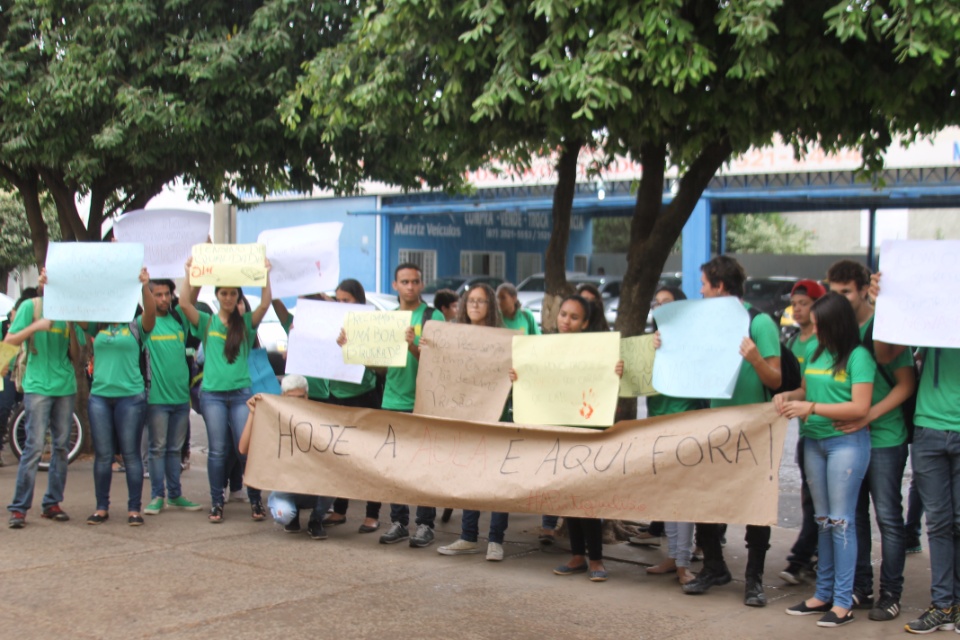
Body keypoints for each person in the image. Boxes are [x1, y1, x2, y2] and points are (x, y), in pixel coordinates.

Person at [682, 256, 782, 607]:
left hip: (753, 429)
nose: (701, 291)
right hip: (713, 426)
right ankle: (714, 567)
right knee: (704, 499)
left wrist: (755, 358)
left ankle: (753, 580)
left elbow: (775, 378)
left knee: (755, 504)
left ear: (721, 287)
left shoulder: (760, 322)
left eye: (705, 285)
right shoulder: (707, 324)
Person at [869, 272, 960, 635]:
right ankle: (943, 605)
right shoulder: (934, 312)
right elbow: (884, 353)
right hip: (928, 428)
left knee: (956, 521)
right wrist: (885, 308)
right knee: (937, 523)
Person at [509, 294, 623, 582]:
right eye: (563, 315)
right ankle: (576, 556)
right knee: (568, 496)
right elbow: (532, 382)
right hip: (557, 428)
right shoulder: (540, 348)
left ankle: (596, 559)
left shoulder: (597, 349)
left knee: (587, 497)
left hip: (587, 428)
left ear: (585, 323)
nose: (566, 321)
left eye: (574, 317)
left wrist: (616, 372)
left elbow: (608, 384)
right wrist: (518, 376)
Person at [777, 292, 875, 628]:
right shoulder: (816, 351)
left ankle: (843, 603)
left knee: (841, 520)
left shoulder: (859, 357)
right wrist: (790, 397)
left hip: (846, 445)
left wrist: (812, 409)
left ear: (836, 324)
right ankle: (823, 594)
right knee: (822, 520)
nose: (813, 330)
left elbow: (860, 408)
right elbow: (806, 390)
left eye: (819, 325)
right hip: (814, 444)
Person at [826, 260, 914, 622]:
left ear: (864, 289)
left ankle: (890, 593)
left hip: (885, 437)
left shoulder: (886, 324)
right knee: (855, 516)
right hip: (850, 438)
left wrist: (868, 415)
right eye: (834, 293)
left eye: (846, 291)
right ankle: (860, 586)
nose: (840, 299)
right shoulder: (836, 330)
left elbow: (906, 384)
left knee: (889, 519)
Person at [339, 263, 444, 548]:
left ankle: (425, 524)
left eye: (415, 281)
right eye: (405, 282)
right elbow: (380, 369)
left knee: (422, 466)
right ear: (395, 285)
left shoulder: (434, 317)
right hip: (392, 400)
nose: (410, 286)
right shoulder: (387, 319)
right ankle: (399, 521)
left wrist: (412, 345)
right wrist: (352, 349)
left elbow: (440, 364)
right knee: (395, 465)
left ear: (422, 285)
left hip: (424, 402)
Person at [178, 257, 273, 523]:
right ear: (217, 295)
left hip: (241, 393)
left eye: (233, 293)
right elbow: (184, 303)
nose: (229, 297)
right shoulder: (207, 322)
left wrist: (265, 276)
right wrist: (189, 274)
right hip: (213, 396)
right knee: (218, 450)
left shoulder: (245, 324)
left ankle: (255, 500)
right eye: (224, 293)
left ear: (238, 296)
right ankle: (216, 502)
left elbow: (265, 304)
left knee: (245, 450)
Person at [436, 284, 510, 561]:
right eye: (471, 301)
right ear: (464, 305)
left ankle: (495, 540)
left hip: (495, 418)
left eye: (481, 301)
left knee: (497, 480)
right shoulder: (452, 337)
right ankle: (468, 536)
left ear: (491, 306)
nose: (476, 306)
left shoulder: (503, 339)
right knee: (469, 475)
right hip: (465, 418)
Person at [81, 268, 156, 526]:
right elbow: (75, 311)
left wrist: (144, 285)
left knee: (131, 454)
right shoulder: (97, 325)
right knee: (103, 456)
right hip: (100, 397)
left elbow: (151, 312)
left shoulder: (136, 327)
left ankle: (134, 509)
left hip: (131, 398)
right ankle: (101, 507)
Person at [4, 273, 77, 528]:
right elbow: (9, 341)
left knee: (60, 447)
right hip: (37, 386)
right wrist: (37, 325)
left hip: (65, 386)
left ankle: (52, 503)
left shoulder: (70, 310)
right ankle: (19, 508)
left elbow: (77, 350)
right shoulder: (30, 306)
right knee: (34, 447)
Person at [643, 286, 702, 585]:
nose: (660, 307)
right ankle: (672, 556)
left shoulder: (694, 341)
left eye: (668, 303)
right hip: (658, 424)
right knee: (667, 495)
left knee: (684, 496)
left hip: (686, 424)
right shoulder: (649, 343)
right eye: (657, 303)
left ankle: (683, 562)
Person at [320, 279, 382, 534]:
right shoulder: (328, 321)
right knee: (339, 455)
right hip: (335, 394)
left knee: (368, 457)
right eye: (337, 300)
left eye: (346, 300)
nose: (340, 304)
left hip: (364, 395)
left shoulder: (371, 323)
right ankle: (340, 508)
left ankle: (372, 514)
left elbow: (380, 362)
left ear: (359, 300)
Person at [239, 374, 334, 539]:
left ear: (307, 396)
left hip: (313, 485)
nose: (296, 401)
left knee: (335, 483)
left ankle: (316, 520)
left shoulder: (318, 417)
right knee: (285, 514)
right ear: (283, 396)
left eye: (300, 397)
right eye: (291, 398)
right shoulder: (273, 417)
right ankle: (292, 515)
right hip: (285, 486)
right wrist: (252, 414)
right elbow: (243, 448)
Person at [780, 279, 827, 586]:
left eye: (804, 303)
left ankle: (800, 558)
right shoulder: (793, 341)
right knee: (811, 497)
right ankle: (815, 556)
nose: (797, 308)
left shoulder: (822, 344)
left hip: (827, 429)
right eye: (794, 303)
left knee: (817, 500)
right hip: (805, 430)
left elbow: (806, 389)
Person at [142, 279, 202, 516]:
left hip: (180, 398)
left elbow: (191, 296)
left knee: (175, 450)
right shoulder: (146, 322)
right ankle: (157, 496)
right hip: (156, 398)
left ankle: (175, 495)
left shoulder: (179, 318)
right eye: (158, 295)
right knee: (157, 448)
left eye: (167, 294)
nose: (164, 299)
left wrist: (193, 271)